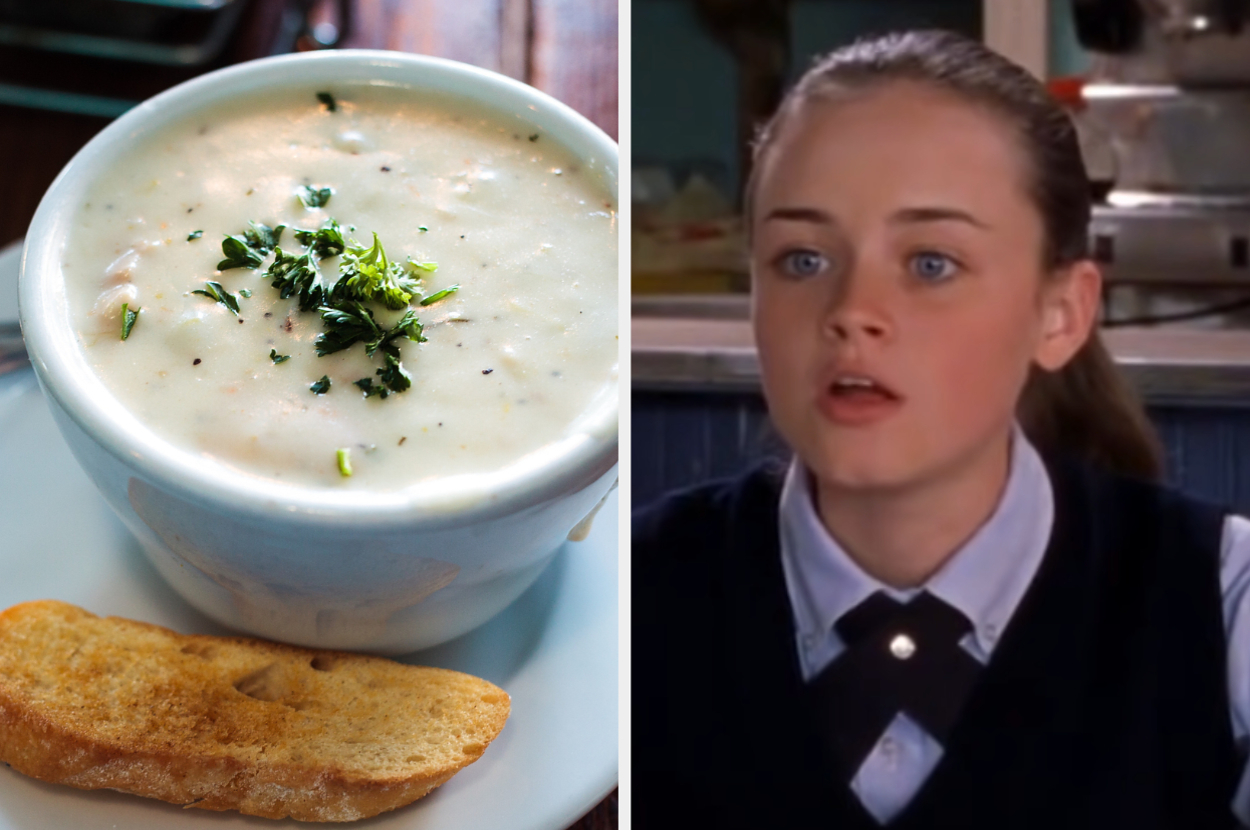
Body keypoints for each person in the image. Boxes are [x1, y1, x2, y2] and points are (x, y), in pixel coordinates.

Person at [632, 29, 1250, 830]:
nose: (853, 312)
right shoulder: (631, 600)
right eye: (803, 260)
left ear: (1061, 313)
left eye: (931, 264)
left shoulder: (1221, 605)